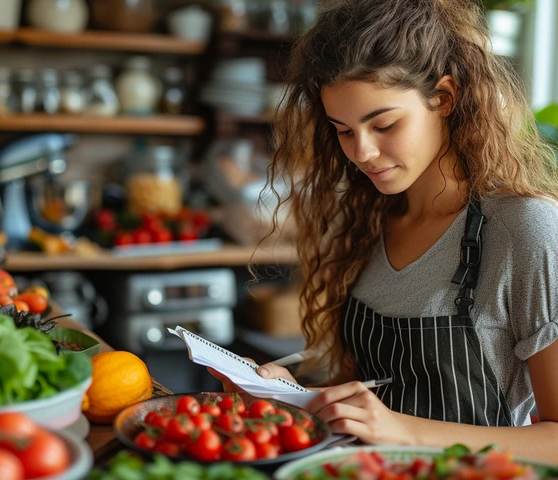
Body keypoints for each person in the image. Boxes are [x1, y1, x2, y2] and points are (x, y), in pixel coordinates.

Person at [209, 0, 558, 463]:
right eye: (343, 130)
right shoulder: (365, 219)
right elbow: (372, 395)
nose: (363, 153)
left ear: (445, 98)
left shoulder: (523, 228)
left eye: (384, 124)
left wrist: (402, 432)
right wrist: (297, 397)